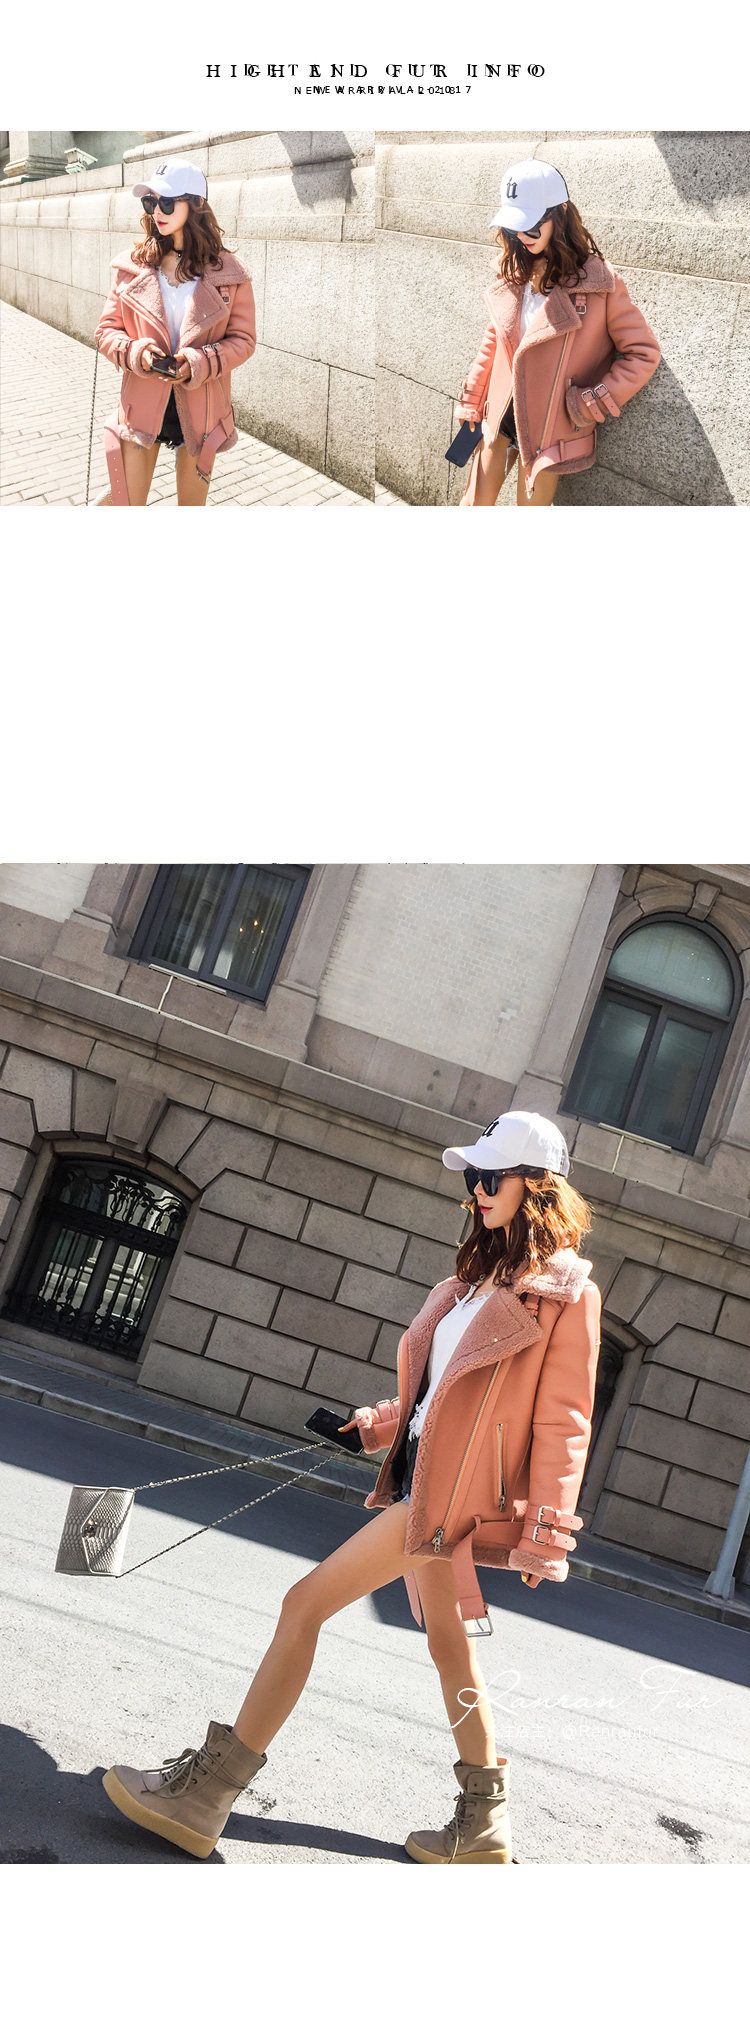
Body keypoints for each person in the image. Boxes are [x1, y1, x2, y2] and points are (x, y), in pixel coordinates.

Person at [102, 1109, 601, 1863]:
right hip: (425, 1478)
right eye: (472, 1175)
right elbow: (436, 1397)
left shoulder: (565, 1295)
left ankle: (207, 1794)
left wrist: (547, 1534)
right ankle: (484, 1822)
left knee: (303, 1604)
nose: (475, 1189)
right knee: (450, 1646)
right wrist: (368, 1426)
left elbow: (565, 1422)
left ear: (536, 1186)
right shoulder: (468, 1284)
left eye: (490, 1176)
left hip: (453, 1500)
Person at [456, 158, 661, 505]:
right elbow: (494, 342)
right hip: (499, 417)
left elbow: (643, 353)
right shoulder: (515, 272)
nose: (522, 237)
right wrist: (472, 403)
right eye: (514, 227)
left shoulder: (599, 285)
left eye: (532, 226)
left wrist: (588, 404)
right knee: (473, 507)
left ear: (560, 214)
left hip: (550, 434)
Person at [91, 158, 256, 506]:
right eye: (150, 202)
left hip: (201, 408)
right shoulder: (133, 265)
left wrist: (198, 363)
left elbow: (243, 340)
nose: (157, 212)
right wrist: (136, 353)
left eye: (167, 202)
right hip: (141, 405)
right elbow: (106, 331)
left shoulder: (230, 272)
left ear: (196, 204)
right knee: (127, 505)